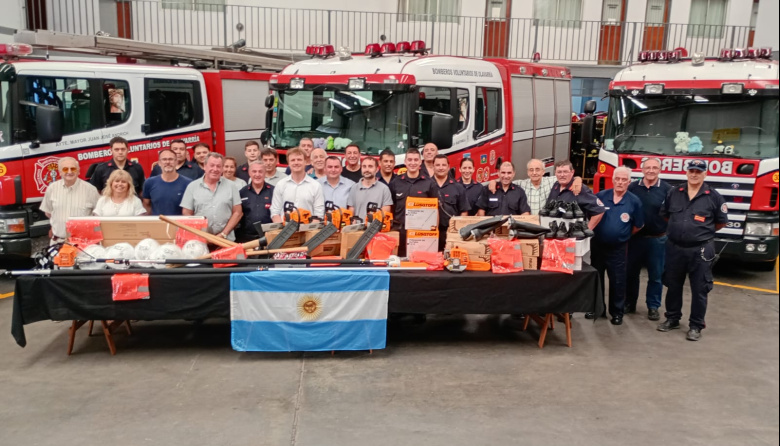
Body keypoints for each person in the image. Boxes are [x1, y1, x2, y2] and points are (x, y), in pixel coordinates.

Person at [657, 159, 728, 341]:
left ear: (705, 174)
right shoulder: (674, 192)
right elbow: (666, 215)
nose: (694, 174)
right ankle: (672, 318)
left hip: (701, 250)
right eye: (692, 171)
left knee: (700, 289)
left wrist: (697, 234)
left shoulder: (713, 196)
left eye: (698, 171)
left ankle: (696, 325)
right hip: (675, 247)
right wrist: (680, 231)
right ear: (686, 172)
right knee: (673, 285)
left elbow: (720, 222)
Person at [590, 166, 645, 325]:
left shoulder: (634, 201)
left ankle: (617, 312)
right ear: (613, 180)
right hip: (598, 246)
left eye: (624, 180)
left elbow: (638, 225)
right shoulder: (600, 196)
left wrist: (622, 234)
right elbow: (591, 217)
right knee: (597, 278)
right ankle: (597, 309)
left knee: (618, 281)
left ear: (629, 182)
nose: (620, 182)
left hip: (618, 249)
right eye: (617, 179)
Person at [626, 157, 672, 321]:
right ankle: (629, 303)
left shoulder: (667, 190)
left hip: (657, 240)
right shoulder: (632, 187)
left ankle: (653, 306)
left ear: (660, 170)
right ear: (642, 169)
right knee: (631, 274)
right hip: (635, 239)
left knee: (656, 275)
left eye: (654, 168)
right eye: (648, 167)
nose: (651, 170)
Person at [180, 152, 243, 241]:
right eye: (212, 165)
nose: (215, 169)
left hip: (226, 240)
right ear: (205, 166)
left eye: (218, 166)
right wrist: (201, 234)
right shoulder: (192, 187)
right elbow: (186, 213)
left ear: (222, 169)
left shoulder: (231, 186)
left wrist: (223, 234)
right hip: (200, 240)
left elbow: (237, 213)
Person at [389, 148, 438, 256]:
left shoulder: (429, 183)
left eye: (416, 160)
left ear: (420, 162)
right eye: (410, 160)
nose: (412, 163)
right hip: (400, 232)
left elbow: (435, 210)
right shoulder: (395, 183)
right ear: (405, 162)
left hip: (422, 234)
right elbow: (391, 207)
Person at [40, 157, 100, 244]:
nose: (69, 172)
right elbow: (48, 213)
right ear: (60, 172)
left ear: (78, 171)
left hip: (82, 244)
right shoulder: (52, 188)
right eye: (65, 169)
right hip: (57, 242)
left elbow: (98, 217)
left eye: (73, 168)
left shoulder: (91, 190)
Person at [546, 160, 605, 230]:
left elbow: (599, 211)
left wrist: (587, 230)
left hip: (573, 236)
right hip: (556, 233)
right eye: (559, 172)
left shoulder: (580, 189)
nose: (562, 175)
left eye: (565, 172)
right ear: (555, 173)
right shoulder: (555, 185)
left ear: (572, 172)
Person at [271, 147, 325, 222]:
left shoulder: (316, 186)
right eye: (293, 160)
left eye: (299, 160)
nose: (296, 163)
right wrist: (283, 231)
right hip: (285, 231)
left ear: (305, 162)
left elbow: (319, 214)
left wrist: (309, 230)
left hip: (308, 231)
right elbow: (275, 212)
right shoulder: (280, 185)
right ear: (288, 163)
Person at [433, 155, 470, 249]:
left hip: (450, 234)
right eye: (437, 165)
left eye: (443, 165)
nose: (441, 168)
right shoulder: (426, 186)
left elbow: (464, 212)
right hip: (430, 234)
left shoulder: (458, 188)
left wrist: (456, 232)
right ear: (433, 166)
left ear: (448, 167)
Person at [142, 149, 192, 216]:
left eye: (171, 159)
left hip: (179, 225)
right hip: (158, 224)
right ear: (159, 163)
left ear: (176, 162)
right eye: (164, 159)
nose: (167, 162)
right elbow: (146, 205)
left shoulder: (188, 184)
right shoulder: (149, 183)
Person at [237, 161, 274, 242]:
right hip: (247, 238)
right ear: (249, 173)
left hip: (269, 237)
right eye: (254, 171)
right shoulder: (242, 192)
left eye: (260, 171)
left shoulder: (273, 191)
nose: (257, 175)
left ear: (265, 173)